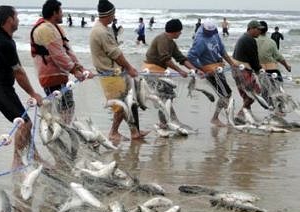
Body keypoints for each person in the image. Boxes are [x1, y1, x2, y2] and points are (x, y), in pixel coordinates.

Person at [0, 6, 43, 168]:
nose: (18, 20)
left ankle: (35, 157)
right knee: (24, 123)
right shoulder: (4, 42)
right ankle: (16, 161)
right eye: (16, 17)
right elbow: (19, 72)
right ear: (9, 20)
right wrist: (33, 93)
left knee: (25, 122)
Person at [90, 0, 148, 141]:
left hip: (116, 72)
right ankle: (113, 132)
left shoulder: (105, 28)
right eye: (113, 14)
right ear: (108, 14)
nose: (114, 17)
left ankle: (135, 131)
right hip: (109, 74)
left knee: (129, 102)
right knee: (120, 106)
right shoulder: (101, 31)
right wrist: (129, 68)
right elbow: (115, 53)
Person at [31, 0, 89, 124]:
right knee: (63, 109)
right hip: (51, 77)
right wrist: (74, 70)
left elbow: (68, 50)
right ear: (54, 13)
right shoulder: (44, 30)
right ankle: (61, 135)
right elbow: (58, 55)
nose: (63, 14)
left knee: (67, 107)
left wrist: (80, 68)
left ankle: (63, 133)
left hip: (60, 76)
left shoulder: (55, 28)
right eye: (61, 11)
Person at [143, 19, 202, 129]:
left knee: (167, 96)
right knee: (164, 97)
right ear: (175, 31)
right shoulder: (162, 39)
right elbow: (165, 59)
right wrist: (179, 71)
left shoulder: (171, 43)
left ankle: (167, 121)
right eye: (180, 31)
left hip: (161, 71)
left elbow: (181, 58)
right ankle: (168, 122)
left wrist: (195, 70)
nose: (181, 33)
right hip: (151, 70)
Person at [188, 19, 236, 126]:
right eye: (208, 33)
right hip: (210, 70)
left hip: (218, 66)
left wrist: (231, 63)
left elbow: (222, 50)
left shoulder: (215, 34)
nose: (210, 34)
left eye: (212, 32)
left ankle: (224, 118)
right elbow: (191, 57)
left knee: (226, 94)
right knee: (226, 94)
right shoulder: (200, 40)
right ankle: (219, 118)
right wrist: (202, 70)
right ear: (204, 30)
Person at [231, 20, 263, 123]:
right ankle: (240, 115)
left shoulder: (243, 38)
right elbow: (254, 59)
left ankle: (246, 114)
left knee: (246, 95)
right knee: (254, 93)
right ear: (251, 29)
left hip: (236, 69)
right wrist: (259, 70)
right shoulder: (250, 40)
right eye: (258, 29)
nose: (260, 32)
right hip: (242, 69)